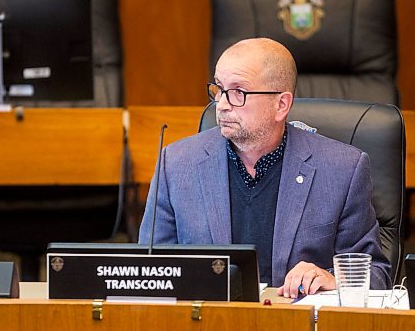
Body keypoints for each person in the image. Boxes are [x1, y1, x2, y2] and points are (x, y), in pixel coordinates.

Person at [138, 38, 391, 298]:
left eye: (239, 92)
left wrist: (333, 278)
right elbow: (147, 271)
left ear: (281, 104)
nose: (222, 104)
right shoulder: (177, 164)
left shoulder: (342, 170)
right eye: (219, 89)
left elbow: (376, 275)